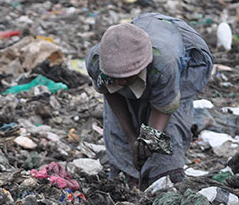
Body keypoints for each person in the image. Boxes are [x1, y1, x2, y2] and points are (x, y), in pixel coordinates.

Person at [86, 13, 213, 188]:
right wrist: (131, 136)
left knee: (165, 136)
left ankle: (164, 180)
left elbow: (164, 106)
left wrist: (148, 140)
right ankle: (127, 181)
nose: (121, 82)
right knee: (119, 133)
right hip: (145, 52)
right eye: (116, 77)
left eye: (127, 77)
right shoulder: (96, 61)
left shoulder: (164, 63)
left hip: (180, 62)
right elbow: (111, 93)